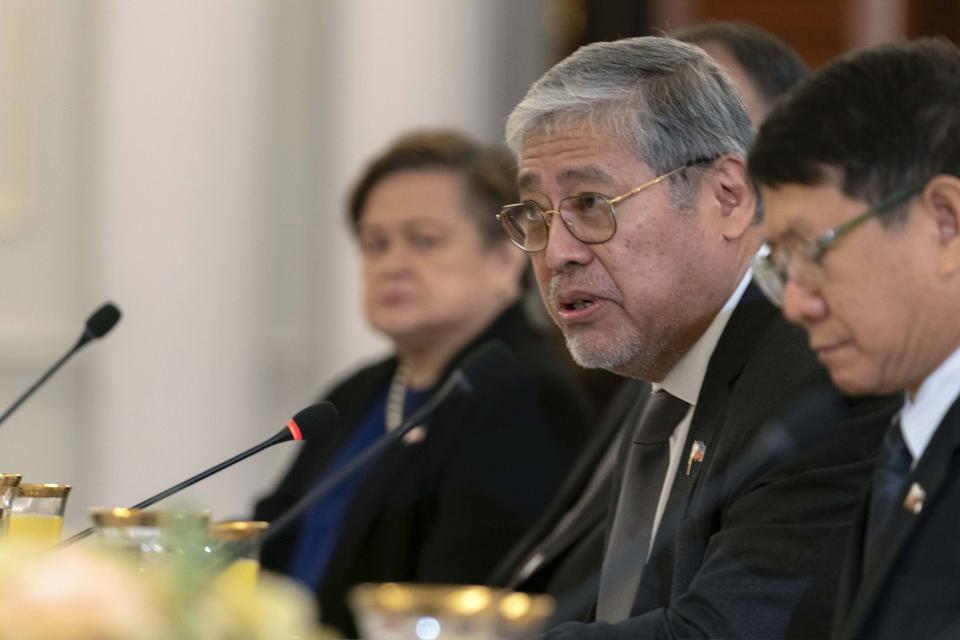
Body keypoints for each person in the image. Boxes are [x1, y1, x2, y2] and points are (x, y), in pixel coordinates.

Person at [495, 36, 899, 638]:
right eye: (536, 213)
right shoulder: (661, 371)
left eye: (591, 203)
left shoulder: (817, 379)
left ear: (727, 196)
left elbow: (719, 634)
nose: (556, 253)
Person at [254, 130, 592, 637]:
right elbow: (269, 543)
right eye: (376, 244)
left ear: (505, 259)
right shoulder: (355, 394)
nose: (392, 264)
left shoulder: (522, 395)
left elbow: (467, 600)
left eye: (424, 240)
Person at [748, 37, 960, 640]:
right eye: (780, 266)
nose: (795, 303)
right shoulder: (904, 430)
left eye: (813, 251)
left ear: (946, 223)